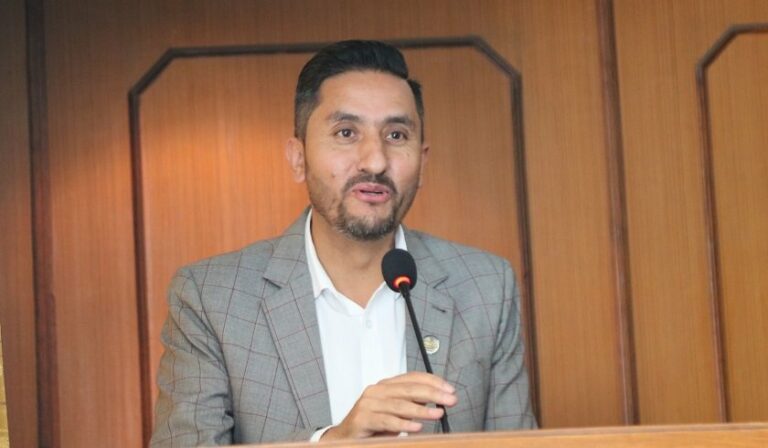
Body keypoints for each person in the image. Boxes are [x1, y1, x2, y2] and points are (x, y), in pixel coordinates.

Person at [150, 40, 536, 447]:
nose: (375, 161)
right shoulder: (212, 298)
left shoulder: (485, 287)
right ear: (298, 158)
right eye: (346, 133)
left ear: (422, 162)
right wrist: (331, 441)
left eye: (396, 135)